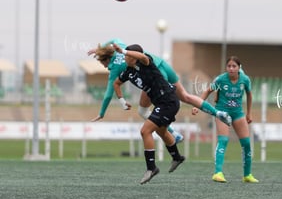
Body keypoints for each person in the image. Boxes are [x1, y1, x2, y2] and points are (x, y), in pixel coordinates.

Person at [88, 39, 232, 141]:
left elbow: (108, 94)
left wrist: (101, 113)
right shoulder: (118, 45)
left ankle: (173, 133)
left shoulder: (114, 69)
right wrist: (99, 49)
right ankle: (218, 113)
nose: (103, 66)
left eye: (102, 62)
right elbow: (114, 38)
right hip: (161, 64)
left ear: (106, 59)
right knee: (186, 96)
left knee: (144, 111)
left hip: (153, 75)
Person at [112, 43, 185, 184]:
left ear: (134, 56)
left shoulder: (146, 63)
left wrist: (123, 50)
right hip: (162, 103)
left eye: (128, 55)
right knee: (161, 131)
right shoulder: (129, 71)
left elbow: (142, 56)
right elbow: (116, 83)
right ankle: (177, 157)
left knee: (145, 131)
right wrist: (122, 101)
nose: (125, 57)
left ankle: (151, 168)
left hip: (168, 101)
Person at [192, 56, 259, 183]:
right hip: (222, 113)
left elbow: (249, 95)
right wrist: (197, 105)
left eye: (234, 66)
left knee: (246, 144)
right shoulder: (221, 79)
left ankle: (247, 175)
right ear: (226, 68)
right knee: (223, 140)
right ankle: (218, 173)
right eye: (229, 66)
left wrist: (249, 113)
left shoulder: (245, 80)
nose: (231, 69)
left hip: (238, 114)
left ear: (239, 68)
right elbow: (207, 91)